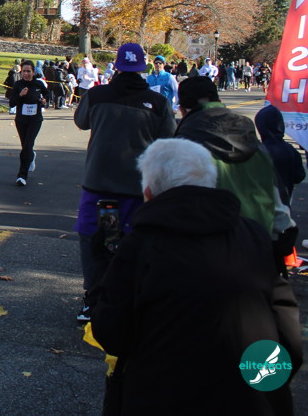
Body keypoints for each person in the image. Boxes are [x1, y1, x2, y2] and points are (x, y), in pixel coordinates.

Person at [91, 138, 301, 416]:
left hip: (161, 396)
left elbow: (112, 333)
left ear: (149, 192)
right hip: (252, 398)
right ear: (211, 181)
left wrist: (102, 268)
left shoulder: (141, 245)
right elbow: (285, 325)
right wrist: (269, 384)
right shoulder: (254, 235)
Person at [72, 43, 175, 322]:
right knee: (132, 241)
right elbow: (169, 139)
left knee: (93, 238)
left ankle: (92, 297)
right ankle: (127, 296)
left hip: (98, 182)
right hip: (137, 186)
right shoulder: (158, 103)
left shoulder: (96, 95)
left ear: (116, 66)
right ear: (142, 68)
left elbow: (81, 122)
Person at [175, 76, 296, 256]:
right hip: (258, 242)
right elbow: (279, 202)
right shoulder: (256, 145)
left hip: (206, 249)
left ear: (182, 110)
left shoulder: (180, 147)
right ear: (219, 101)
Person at [6, 61, 49, 186]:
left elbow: (47, 95)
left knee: (27, 147)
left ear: (33, 72)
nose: (26, 73)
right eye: (24, 71)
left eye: (28, 71)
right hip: (21, 120)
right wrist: (20, 95)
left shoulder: (38, 84)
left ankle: (22, 176)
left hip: (35, 120)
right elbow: (12, 103)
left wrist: (44, 100)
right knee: (25, 146)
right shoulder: (18, 85)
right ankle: (31, 156)